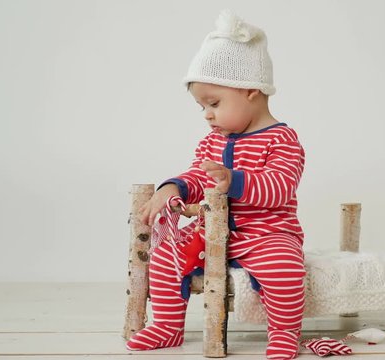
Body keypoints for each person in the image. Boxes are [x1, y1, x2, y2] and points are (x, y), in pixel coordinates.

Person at [126, 10, 306, 360]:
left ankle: (284, 331)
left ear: (251, 90)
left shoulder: (282, 139)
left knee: (285, 267)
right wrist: (173, 188)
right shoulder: (211, 142)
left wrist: (233, 180)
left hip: (265, 234)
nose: (207, 114)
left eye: (214, 103)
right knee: (166, 253)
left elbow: (280, 187)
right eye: (201, 107)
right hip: (210, 233)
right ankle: (167, 325)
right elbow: (197, 176)